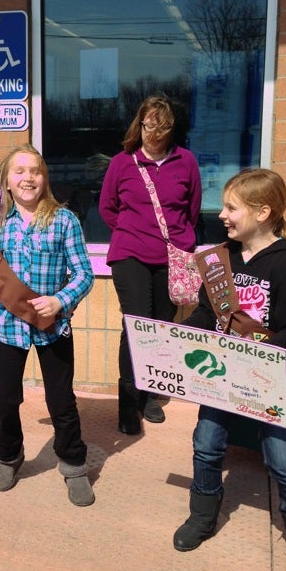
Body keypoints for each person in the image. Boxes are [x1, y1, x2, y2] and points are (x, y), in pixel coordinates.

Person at [174, 168, 286, 571]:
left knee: (282, 459)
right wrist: (184, 335)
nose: (222, 214)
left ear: (262, 212)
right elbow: (207, 312)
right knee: (206, 444)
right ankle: (202, 517)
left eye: (231, 208)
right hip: (222, 373)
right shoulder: (222, 258)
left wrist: (259, 353)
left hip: (272, 376)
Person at [0, 145, 95, 506]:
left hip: (52, 326)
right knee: (3, 398)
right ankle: (9, 457)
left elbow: (85, 274)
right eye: (20, 171)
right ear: (7, 182)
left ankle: (73, 465)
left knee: (61, 401)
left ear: (45, 179)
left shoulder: (64, 221)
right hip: (8, 327)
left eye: (36, 171)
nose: (28, 178)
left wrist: (60, 300)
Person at [98, 94, 202, 434]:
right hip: (130, 254)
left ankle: (151, 394)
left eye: (162, 127)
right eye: (148, 126)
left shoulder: (186, 161)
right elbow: (107, 208)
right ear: (139, 125)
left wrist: (179, 242)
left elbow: (191, 210)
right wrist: (131, 232)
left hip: (171, 257)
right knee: (137, 324)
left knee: (162, 326)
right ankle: (129, 404)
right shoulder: (122, 163)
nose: (154, 134)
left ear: (172, 129)